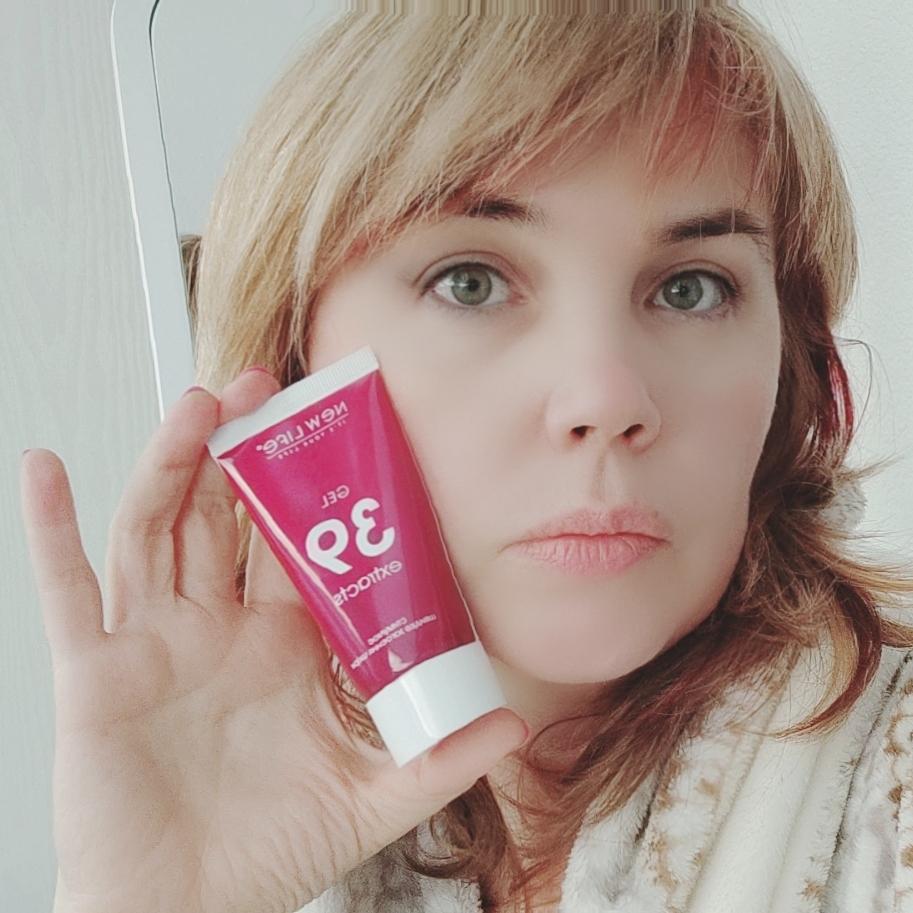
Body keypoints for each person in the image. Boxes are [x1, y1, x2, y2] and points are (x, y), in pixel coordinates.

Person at [19, 7, 913, 913]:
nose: (605, 398)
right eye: (470, 282)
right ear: (290, 366)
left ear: (791, 374)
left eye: (691, 288)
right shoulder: (259, 810)